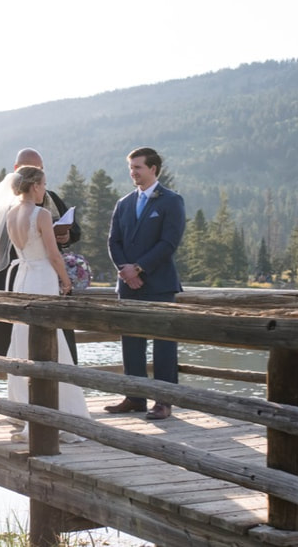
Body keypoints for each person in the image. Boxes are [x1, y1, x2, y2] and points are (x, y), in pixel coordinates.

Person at [3, 165, 90, 442]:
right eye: (43, 185)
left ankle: (23, 409)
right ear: (36, 186)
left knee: (22, 342)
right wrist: (66, 281)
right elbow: (53, 254)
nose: (44, 190)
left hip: (22, 279)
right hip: (41, 277)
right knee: (50, 345)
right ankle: (60, 414)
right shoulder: (40, 214)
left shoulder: (10, 214)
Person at [105, 147, 186, 421]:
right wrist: (125, 271)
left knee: (164, 345)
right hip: (128, 286)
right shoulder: (124, 203)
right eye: (130, 167)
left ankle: (164, 401)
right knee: (131, 344)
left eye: (137, 167)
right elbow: (113, 241)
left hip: (160, 285)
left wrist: (139, 268)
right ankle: (135, 397)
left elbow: (169, 243)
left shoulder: (171, 201)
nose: (133, 172)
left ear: (153, 168)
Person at [0, 148, 81, 363]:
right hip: (16, 271)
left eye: (39, 169)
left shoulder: (51, 199)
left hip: (34, 273)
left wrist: (65, 236)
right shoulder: (3, 203)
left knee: (47, 331)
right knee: (19, 331)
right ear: (17, 170)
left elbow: (74, 231)